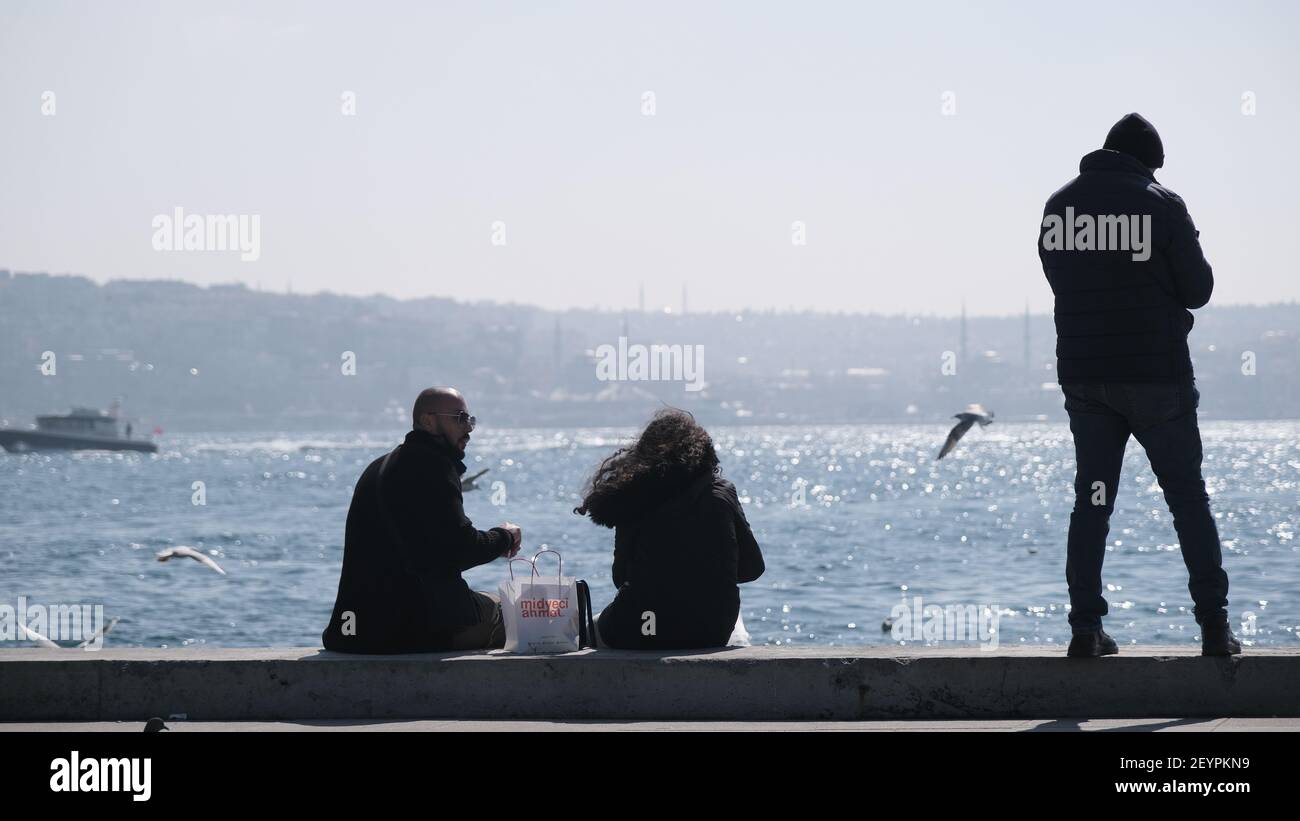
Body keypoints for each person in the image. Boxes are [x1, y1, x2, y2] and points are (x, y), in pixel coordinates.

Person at [1038, 112, 1238, 657]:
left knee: (1092, 504)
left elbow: (1063, 282)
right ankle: (1214, 629)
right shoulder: (1161, 202)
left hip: (1087, 382)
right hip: (1158, 381)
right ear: (1148, 161)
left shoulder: (1059, 207)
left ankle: (1085, 629)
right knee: (1188, 501)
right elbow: (1197, 289)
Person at [322, 387, 521, 653]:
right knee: (524, 616)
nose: (469, 429)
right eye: (460, 418)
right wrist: (505, 535)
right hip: (415, 630)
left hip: (353, 633)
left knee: (491, 601)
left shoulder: (379, 466)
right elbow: (460, 549)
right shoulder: (434, 466)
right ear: (428, 420)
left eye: (470, 420)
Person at [575, 408, 764, 649]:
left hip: (640, 625)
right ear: (705, 455)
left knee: (583, 636)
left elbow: (620, 577)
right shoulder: (719, 494)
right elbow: (753, 568)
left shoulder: (632, 496)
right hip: (708, 630)